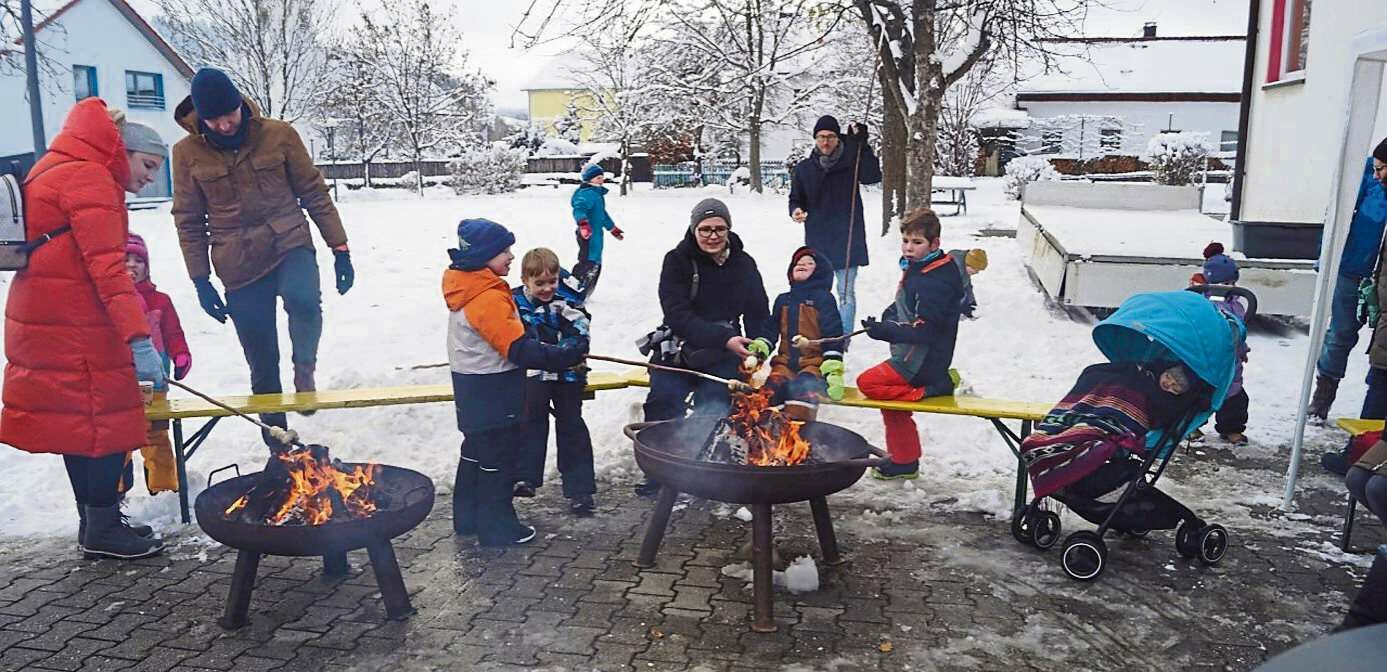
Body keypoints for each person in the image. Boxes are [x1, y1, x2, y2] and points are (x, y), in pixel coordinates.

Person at [1, 99, 169, 560]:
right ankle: (102, 528)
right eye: (148, 165)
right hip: (77, 323)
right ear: (124, 151)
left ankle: (96, 523)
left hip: (47, 315)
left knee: (81, 426)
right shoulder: (92, 177)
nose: (150, 177)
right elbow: (109, 269)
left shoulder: (57, 165)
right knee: (105, 421)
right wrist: (139, 339)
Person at [170, 67, 353, 446]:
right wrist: (200, 279)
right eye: (214, 119)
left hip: (289, 241)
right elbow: (188, 218)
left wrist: (340, 248)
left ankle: (305, 368)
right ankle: (279, 442)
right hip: (237, 262)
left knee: (304, 301)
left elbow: (313, 191)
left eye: (230, 114)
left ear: (241, 104)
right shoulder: (186, 153)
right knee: (261, 359)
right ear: (200, 118)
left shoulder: (279, 134)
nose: (224, 124)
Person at [445, 219, 588, 546]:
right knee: (497, 456)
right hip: (492, 387)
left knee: (476, 450)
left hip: (471, 384)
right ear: (485, 254)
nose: (511, 256)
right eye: (504, 250)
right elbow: (518, 349)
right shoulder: (486, 297)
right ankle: (497, 528)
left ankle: (467, 517)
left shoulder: (468, 285)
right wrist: (565, 354)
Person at [636, 198, 772, 496]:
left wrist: (761, 343)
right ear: (694, 228)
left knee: (715, 404)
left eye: (719, 229)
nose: (713, 236)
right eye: (705, 229)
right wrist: (722, 338)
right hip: (679, 344)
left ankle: (699, 469)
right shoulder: (677, 260)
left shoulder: (744, 263)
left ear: (728, 229)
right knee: (663, 401)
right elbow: (677, 313)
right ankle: (659, 470)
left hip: (725, 350)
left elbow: (760, 312)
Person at [855, 208, 963, 480]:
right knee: (891, 402)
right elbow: (910, 303)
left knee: (869, 383)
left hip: (921, 360)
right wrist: (890, 314)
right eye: (905, 241)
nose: (908, 248)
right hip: (916, 354)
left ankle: (934, 387)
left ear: (934, 243)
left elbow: (926, 330)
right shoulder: (922, 267)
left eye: (917, 242)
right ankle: (905, 461)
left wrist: (887, 331)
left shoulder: (934, 280)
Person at [511, 248, 597, 515]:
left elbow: (580, 333)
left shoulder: (568, 301)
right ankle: (525, 476)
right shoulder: (515, 304)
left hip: (568, 373)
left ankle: (580, 489)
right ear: (525, 279)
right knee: (530, 421)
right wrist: (539, 353)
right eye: (540, 283)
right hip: (534, 374)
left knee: (571, 425)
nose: (547, 288)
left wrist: (565, 352)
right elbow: (517, 338)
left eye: (552, 281)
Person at [1309, 139, 1387, 423]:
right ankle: (1323, 396)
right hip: (1354, 268)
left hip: (1385, 279)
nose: (1379, 174)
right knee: (1341, 333)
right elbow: (1338, 216)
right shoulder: (1366, 172)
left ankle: (1376, 405)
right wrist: (1326, 255)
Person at [788, 115, 882, 341]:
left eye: (830, 136)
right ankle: (817, 332)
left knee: (845, 292)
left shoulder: (851, 162)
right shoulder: (804, 169)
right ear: (815, 139)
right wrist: (796, 210)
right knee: (816, 292)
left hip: (847, 237)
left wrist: (862, 144)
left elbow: (872, 176)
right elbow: (795, 198)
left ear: (838, 138)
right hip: (818, 240)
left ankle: (842, 338)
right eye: (821, 137)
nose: (826, 142)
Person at [119, 234, 191, 496]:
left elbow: (173, 333)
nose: (132, 265)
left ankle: (162, 490)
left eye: (138, 260)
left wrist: (181, 355)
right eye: (125, 259)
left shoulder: (160, 300)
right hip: (118, 383)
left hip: (154, 383)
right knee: (120, 437)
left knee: (156, 435)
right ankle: (116, 489)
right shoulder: (107, 301)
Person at [747, 247, 846, 417]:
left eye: (809, 263)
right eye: (798, 263)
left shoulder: (824, 299)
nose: (802, 265)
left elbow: (833, 336)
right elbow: (770, 330)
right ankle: (769, 434)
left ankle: (798, 433)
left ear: (820, 272)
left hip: (813, 365)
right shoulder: (783, 300)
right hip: (784, 364)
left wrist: (833, 371)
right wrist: (758, 350)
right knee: (771, 390)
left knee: (802, 389)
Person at [1189, 245, 1251, 446]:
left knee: (1235, 399)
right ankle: (1190, 426)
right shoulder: (1200, 302)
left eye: (1233, 282)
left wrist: (1242, 350)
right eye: (1226, 282)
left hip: (1230, 363)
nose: (1231, 286)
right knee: (1197, 396)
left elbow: (1239, 331)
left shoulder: (1236, 305)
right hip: (1204, 361)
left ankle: (1231, 428)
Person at [571, 163, 623, 296]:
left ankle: (586, 289)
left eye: (602, 177)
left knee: (595, 262)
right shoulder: (587, 194)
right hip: (587, 233)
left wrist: (613, 229)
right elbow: (579, 209)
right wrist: (583, 224)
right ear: (589, 179)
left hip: (596, 234)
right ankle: (576, 285)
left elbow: (602, 215)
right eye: (598, 177)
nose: (602, 180)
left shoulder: (596, 194)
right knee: (587, 261)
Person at [948, 248, 988, 318]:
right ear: (969, 265)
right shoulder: (955, 269)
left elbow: (967, 286)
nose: (977, 272)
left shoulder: (965, 268)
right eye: (976, 269)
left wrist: (972, 303)